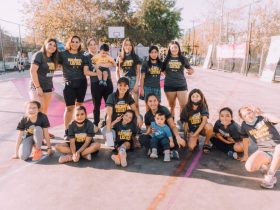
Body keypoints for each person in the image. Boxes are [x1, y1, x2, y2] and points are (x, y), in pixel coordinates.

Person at [239, 106, 280, 189]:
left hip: (277, 148)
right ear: (242, 118)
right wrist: (246, 154)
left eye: (249, 112)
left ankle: (270, 177)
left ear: (253, 111)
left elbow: (277, 120)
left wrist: (262, 113)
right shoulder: (244, 125)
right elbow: (245, 139)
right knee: (249, 167)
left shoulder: (262, 118)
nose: (248, 116)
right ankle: (270, 163)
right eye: (245, 115)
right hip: (264, 150)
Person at [58, 35, 89, 139]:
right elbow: (51, 59)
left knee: (79, 106)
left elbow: (91, 62)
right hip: (69, 84)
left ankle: (78, 128)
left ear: (79, 44)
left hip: (81, 83)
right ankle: (67, 130)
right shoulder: (63, 54)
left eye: (77, 42)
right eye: (73, 41)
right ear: (69, 43)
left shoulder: (83, 55)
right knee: (69, 108)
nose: (75, 44)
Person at [139, 93, 186, 159]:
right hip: (156, 137)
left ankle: (156, 150)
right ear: (147, 103)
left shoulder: (164, 110)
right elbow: (148, 131)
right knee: (142, 138)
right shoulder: (147, 115)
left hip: (167, 136)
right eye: (150, 101)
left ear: (158, 101)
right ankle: (168, 152)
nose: (153, 103)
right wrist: (151, 131)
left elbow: (172, 126)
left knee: (181, 143)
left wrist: (178, 137)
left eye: (155, 100)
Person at [29, 38, 59, 138]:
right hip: (37, 88)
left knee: (44, 111)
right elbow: (33, 71)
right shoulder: (39, 55)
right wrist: (38, 87)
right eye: (50, 44)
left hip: (48, 89)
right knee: (36, 111)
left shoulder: (53, 58)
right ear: (45, 44)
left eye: (54, 45)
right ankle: (35, 135)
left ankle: (44, 131)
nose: (52, 47)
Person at [84, 38, 114, 133]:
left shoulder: (103, 54)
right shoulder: (86, 57)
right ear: (88, 46)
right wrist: (98, 73)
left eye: (94, 44)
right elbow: (86, 72)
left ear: (97, 45)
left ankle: (107, 122)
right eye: (90, 44)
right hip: (95, 83)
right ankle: (96, 123)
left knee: (109, 104)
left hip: (107, 82)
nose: (93, 46)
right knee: (96, 105)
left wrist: (102, 65)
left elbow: (112, 64)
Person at [162, 40, 194, 117]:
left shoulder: (182, 58)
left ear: (179, 48)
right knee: (171, 106)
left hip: (181, 85)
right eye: (172, 48)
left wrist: (191, 71)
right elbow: (162, 71)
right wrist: (170, 76)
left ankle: (182, 122)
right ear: (169, 49)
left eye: (176, 47)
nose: (174, 49)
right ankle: (172, 123)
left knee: (183, 106)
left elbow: (190, 69)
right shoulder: (166, 59)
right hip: (169, 85)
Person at [180, 89, 213, 154]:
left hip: (202, 128)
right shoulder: (186, 108)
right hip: (192, 129)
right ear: (190, 98)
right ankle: (195, 140)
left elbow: (204, 122)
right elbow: (184, 123)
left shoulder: (203, 106)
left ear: (201, 97)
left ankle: (206, 143)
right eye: (193, 96)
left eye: (197, 96)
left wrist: (195, 134)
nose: (195, 98)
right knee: (191, 147)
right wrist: (187, 137)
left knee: (209, 127)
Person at [116, 38, 141, 108]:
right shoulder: (120, 57)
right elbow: (117, 71)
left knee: (135, 105)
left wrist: (136, 84)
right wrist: (119, 82)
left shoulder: (135, 57)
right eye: (126, 45)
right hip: (124, 81)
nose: (128, 47)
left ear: (132, 46)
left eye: (130, 45)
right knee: (125, 105)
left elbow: (138, 72)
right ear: (123, 46)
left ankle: (136, 118)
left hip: (133, 80)